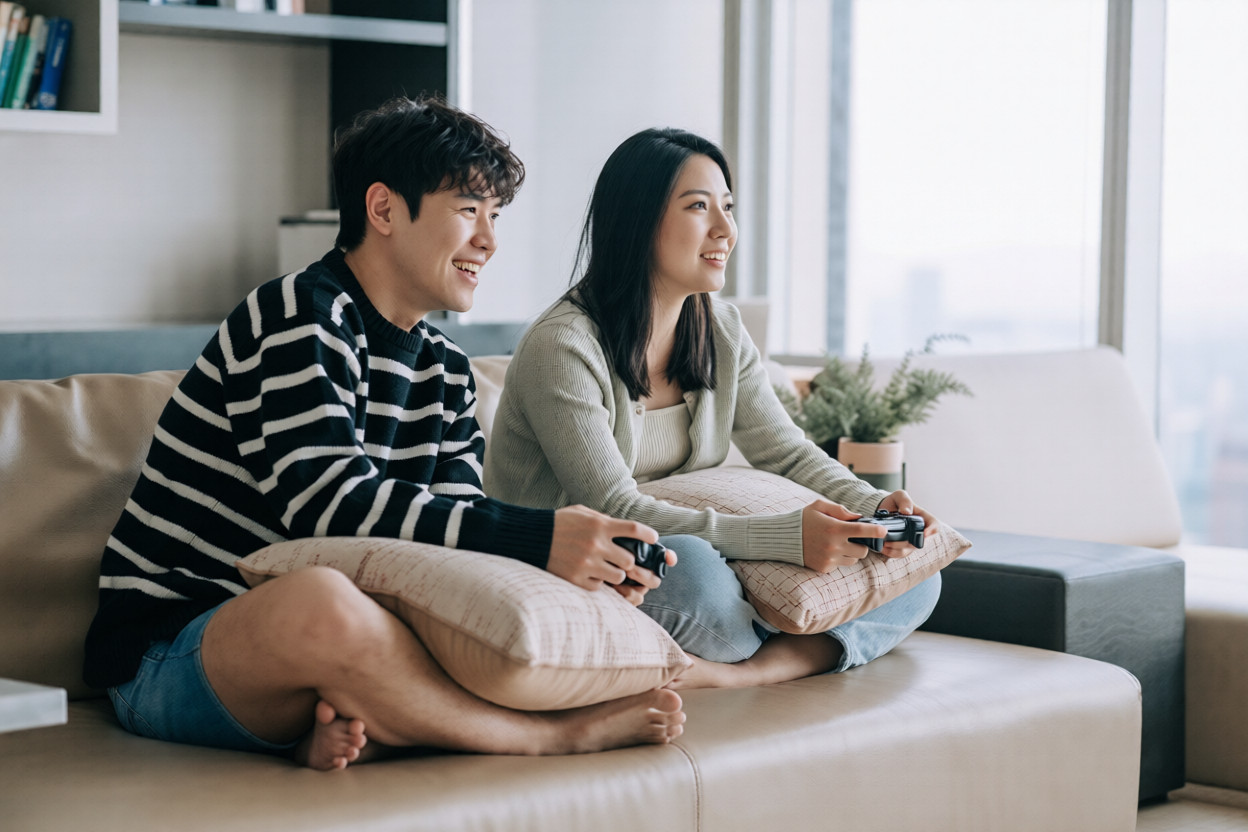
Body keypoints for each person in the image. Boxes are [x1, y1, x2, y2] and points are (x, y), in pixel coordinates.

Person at [82, 97, 684, 772]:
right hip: (172, 648)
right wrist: (537, 538)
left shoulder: (445, 369)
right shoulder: (299, 315)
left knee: (449, 615)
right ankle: (544, 737)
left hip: (326, 651)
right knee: (322, 600)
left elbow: (457, 537)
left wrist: (584, 572)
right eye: (467, 210)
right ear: (384, 209)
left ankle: (346, 719)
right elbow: (327, 504)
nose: (488, 240)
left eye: (494, 216)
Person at [484, 127, 942, 689]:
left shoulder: (720, 329)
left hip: (707, 544)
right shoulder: (563, 345)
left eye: (727, 207)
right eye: (699, 207)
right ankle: (780, 647)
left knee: (919, 577)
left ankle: (743, 671)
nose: (725, 230)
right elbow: (611, 505)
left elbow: (787, 453)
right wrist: (787, 539)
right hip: (591, 563)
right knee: (695, 576)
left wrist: (873, 510)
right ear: (638, 221)